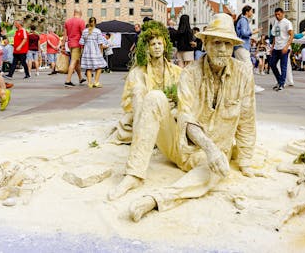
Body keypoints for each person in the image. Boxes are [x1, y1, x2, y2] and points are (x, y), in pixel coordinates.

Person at [107, 13, 261, 222]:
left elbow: (247, 120)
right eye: (217, 42)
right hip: (182, 147)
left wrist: (245, 161)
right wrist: (209, 147)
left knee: (218, 169)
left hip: (211, 157)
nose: (223, 49)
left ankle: (156, 199)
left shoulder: (243, 73)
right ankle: (134, 174)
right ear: (205, 43)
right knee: (153, 98)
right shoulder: (190, 73)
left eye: (227, 44)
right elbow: (186, 117)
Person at [106, 20, 182, 146]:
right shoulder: (136, 73)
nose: (157, 47)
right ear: (147, 48)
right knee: (129, 124)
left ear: (165, 46)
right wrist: (146, 103)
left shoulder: (177, 71)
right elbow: (127, 102)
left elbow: (185, 97)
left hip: (170, 114)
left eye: (159, 43)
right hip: (144, 115)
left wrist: (173, 103)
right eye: (153, 44)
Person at [235, 5, 264, 92]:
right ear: (247, 12)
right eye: (251, 11)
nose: (252, 13)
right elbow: (244, 33)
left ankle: (242, 86)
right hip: (242, 47)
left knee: (242, 68)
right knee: (248, 66)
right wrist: (254, 32)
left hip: (239, 46)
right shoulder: (243, 20)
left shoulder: (242, 20)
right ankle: (251, 86)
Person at [270, 8, 294, 91]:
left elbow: (291, 35)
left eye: (278, 14)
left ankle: (282, 84)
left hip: (284, 48)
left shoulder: (287, 23)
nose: (277, 16)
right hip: (276, 47)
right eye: (276, 14)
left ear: (283, 14)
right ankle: (279, 80)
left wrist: (286, 47)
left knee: (283, 66)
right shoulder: (276, 22)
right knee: (272, 64)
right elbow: (275, 36)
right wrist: (272, 47)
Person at [79, 17, 107, 88]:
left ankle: (89, 83)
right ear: (95, 23)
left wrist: (82, 52)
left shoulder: (84, 31)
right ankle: (96, 82)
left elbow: (81, 43)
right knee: (99, 66)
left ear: (89, 22)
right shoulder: (98, 31)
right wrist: (101, 52)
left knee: (88, 68)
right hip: (95, 51)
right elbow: (100, 43)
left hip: (87, 51)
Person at [64, 8, 86, 87]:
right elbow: (84, 34)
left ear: (74, 13)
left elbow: (65, 35)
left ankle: (80, 78)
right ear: (80, 13)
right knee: (74, 61)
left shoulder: (67, 21)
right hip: (77, 44)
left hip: (70, 44)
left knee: (77, 62)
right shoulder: (81, 21)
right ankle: (68, 80)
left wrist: (63, 45)